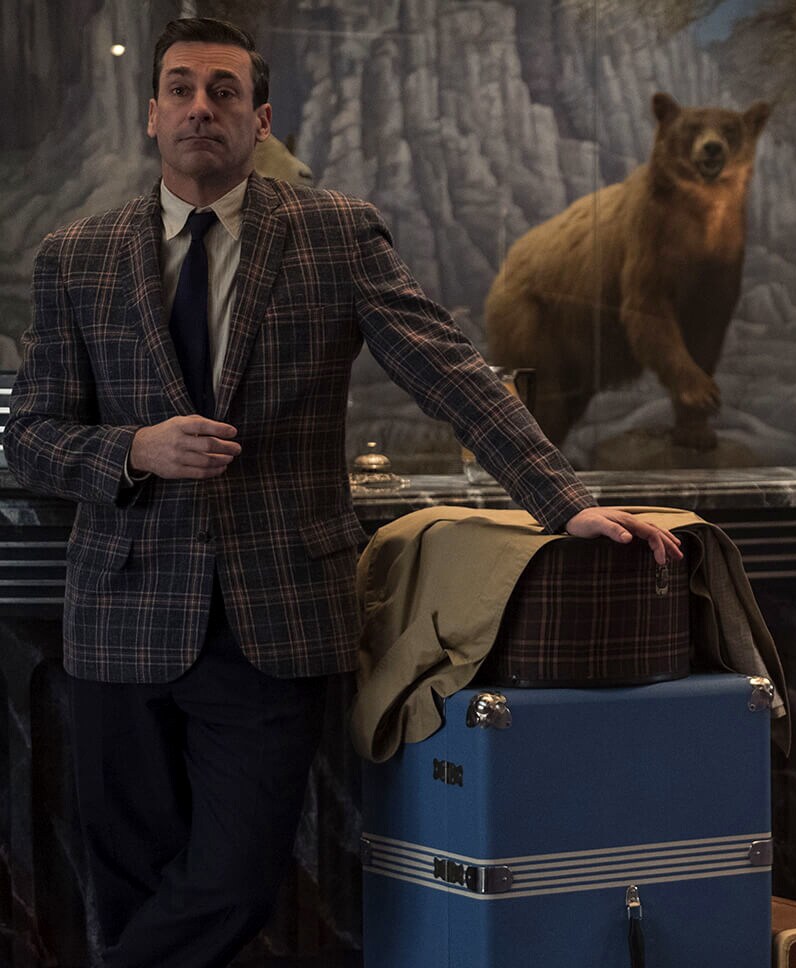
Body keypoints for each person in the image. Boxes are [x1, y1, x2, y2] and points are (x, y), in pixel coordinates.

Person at [1, 18, 680, 968]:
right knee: (132, 883)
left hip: (274, 619)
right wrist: (132, 450)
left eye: (225, 91)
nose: (203, 106)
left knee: (236, 879)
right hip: (119, 616)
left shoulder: (334, 234)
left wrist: (564, 502)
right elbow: (30, 438)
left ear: (259, 116)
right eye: (183, 88)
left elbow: (449, 372)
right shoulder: (75, 256)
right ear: (151, 113)